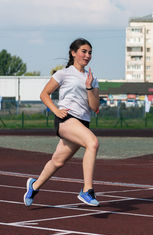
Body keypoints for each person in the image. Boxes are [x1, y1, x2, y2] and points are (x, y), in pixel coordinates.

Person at [24, 38, 100, 207]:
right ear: (73, 53)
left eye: (90, 53)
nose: (87, 55)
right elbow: (44, 94)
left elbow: (94, 107)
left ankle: (34, 186)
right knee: (92, 143)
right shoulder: (63, 73)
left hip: (82, 123)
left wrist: (89, 88)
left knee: (57, 161)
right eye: (84, 51)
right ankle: (87, 190)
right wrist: (56, 110)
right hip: (66, 119)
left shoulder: (92, 79)